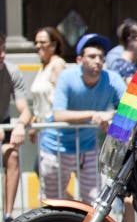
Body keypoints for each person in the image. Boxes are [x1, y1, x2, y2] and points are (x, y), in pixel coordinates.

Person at [38, 33, 126, 203]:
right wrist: (94, 115)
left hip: (87, 148)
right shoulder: (67, 77)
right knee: (53, 204)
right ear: (79, 60)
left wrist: (113, 120)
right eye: (92, 56)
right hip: (56, 149)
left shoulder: (112, 79)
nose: (98, 60)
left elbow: (128, 108)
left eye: (101, 57)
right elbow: (58, 114)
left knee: (95, 201)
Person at [29, 27, 67, 201]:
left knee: (46, 174)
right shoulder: (43, 66)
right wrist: (34, 120)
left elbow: (59, 98)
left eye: (42, 42)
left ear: (53, 45)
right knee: (44, 174)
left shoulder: (57, 64)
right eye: (36, 42)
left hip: (55, 130)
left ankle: (76, 213)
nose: (38, 46)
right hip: (43, 130)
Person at [1, 33, 34, 222]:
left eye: (3, 49)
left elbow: (25, 110)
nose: (2, 55)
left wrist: (20, 125)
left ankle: (7, 216)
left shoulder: (11, 71)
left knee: (12, 155)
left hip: (4, 122)